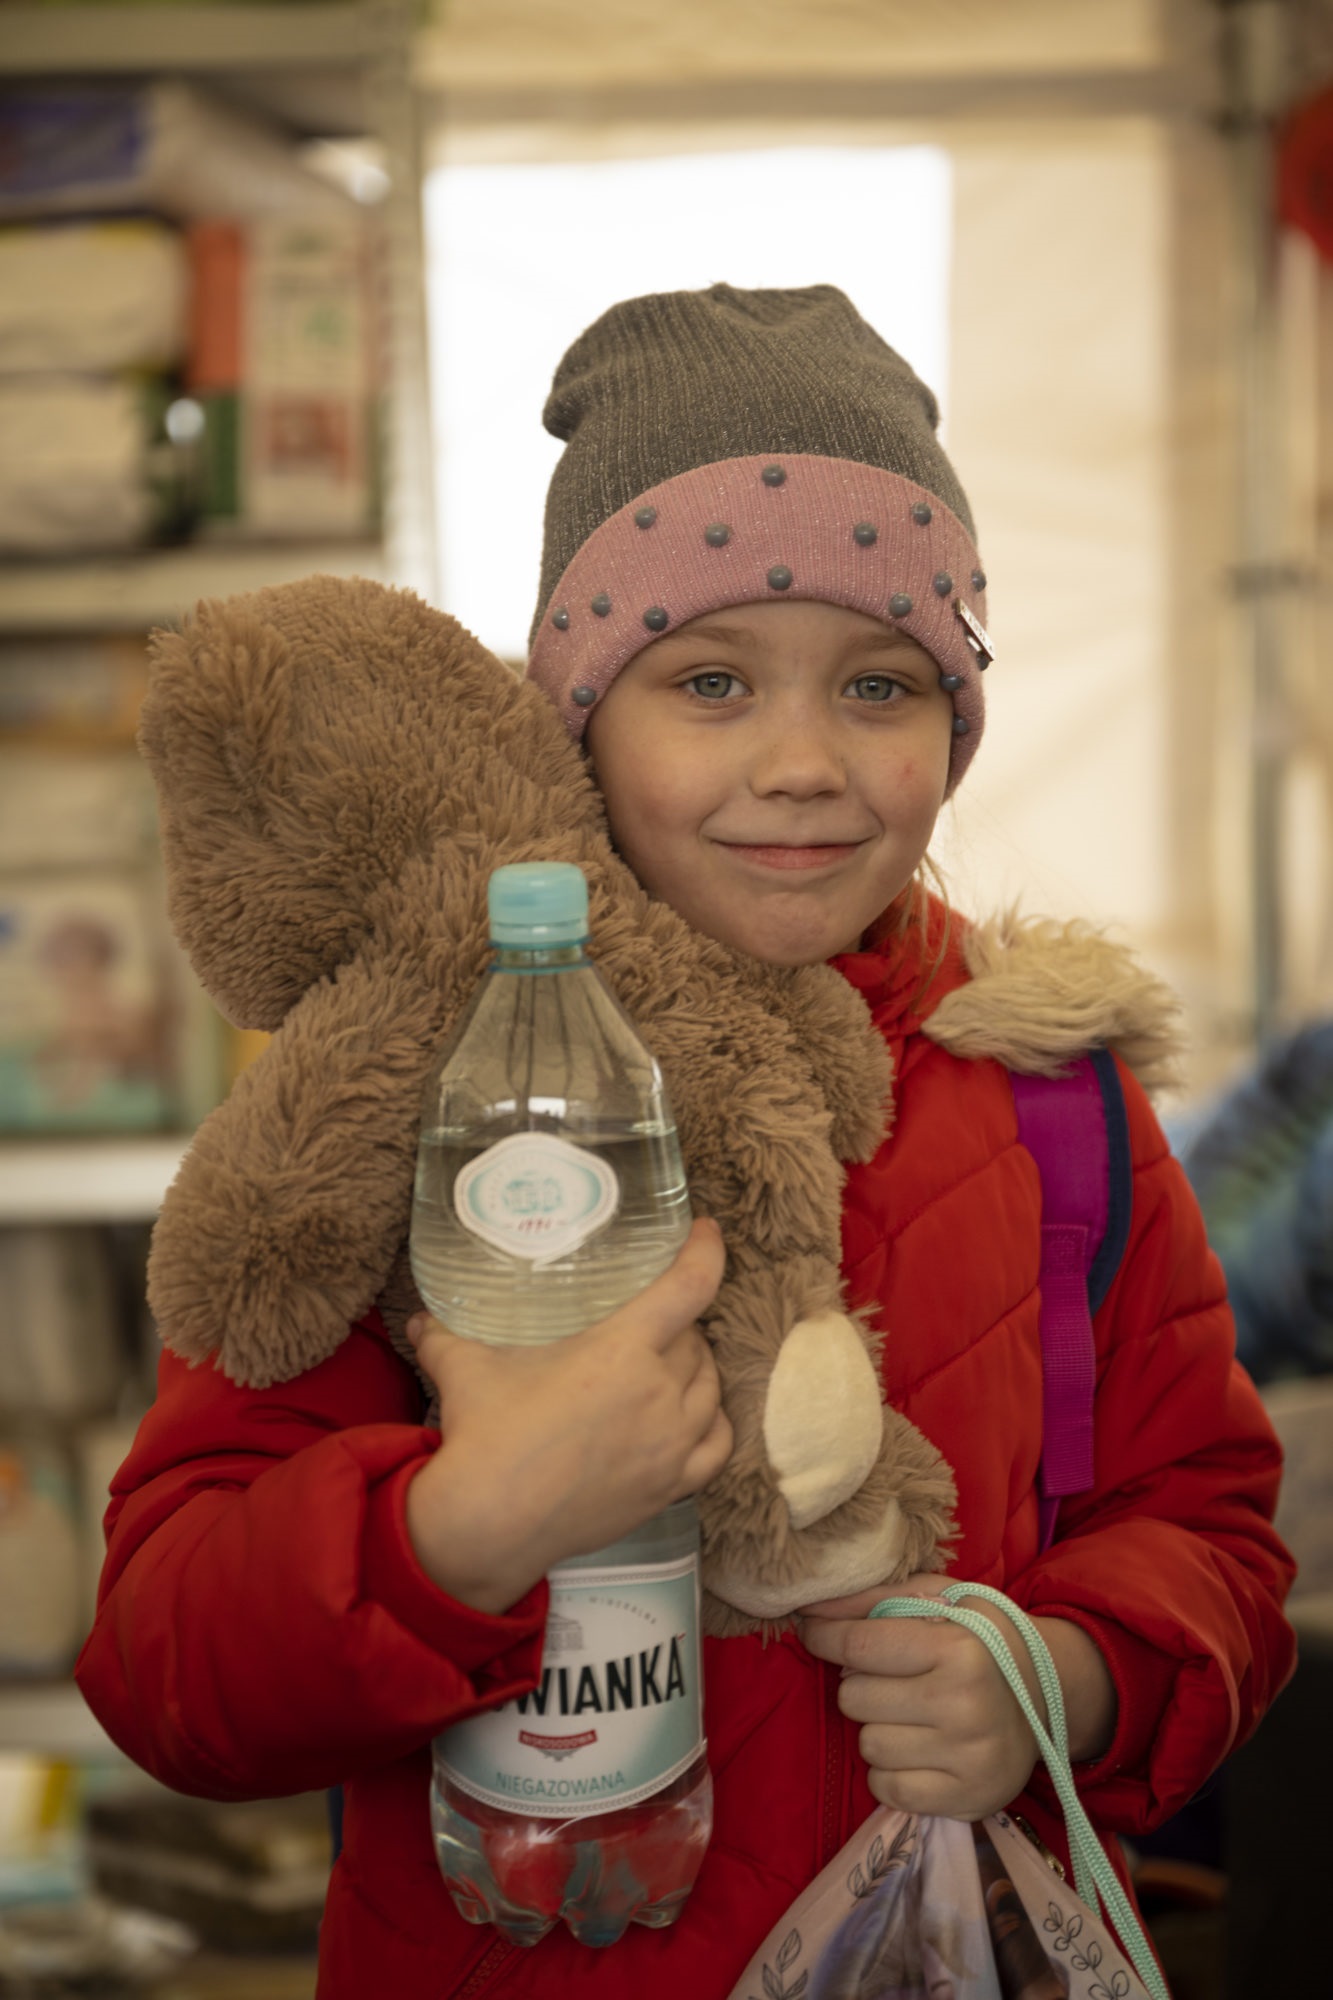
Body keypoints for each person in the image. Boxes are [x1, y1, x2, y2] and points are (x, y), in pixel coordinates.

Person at [76, 285, 1296, 1999]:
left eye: (880, 684)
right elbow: (163, 1668)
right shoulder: (420, 1093)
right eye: (707, 681)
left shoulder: (1046, 1091)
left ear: (954, 723)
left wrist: (1069, 1676)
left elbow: (1216, 1528)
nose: (801, 765)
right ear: (579, 717)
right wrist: (460, 1526)